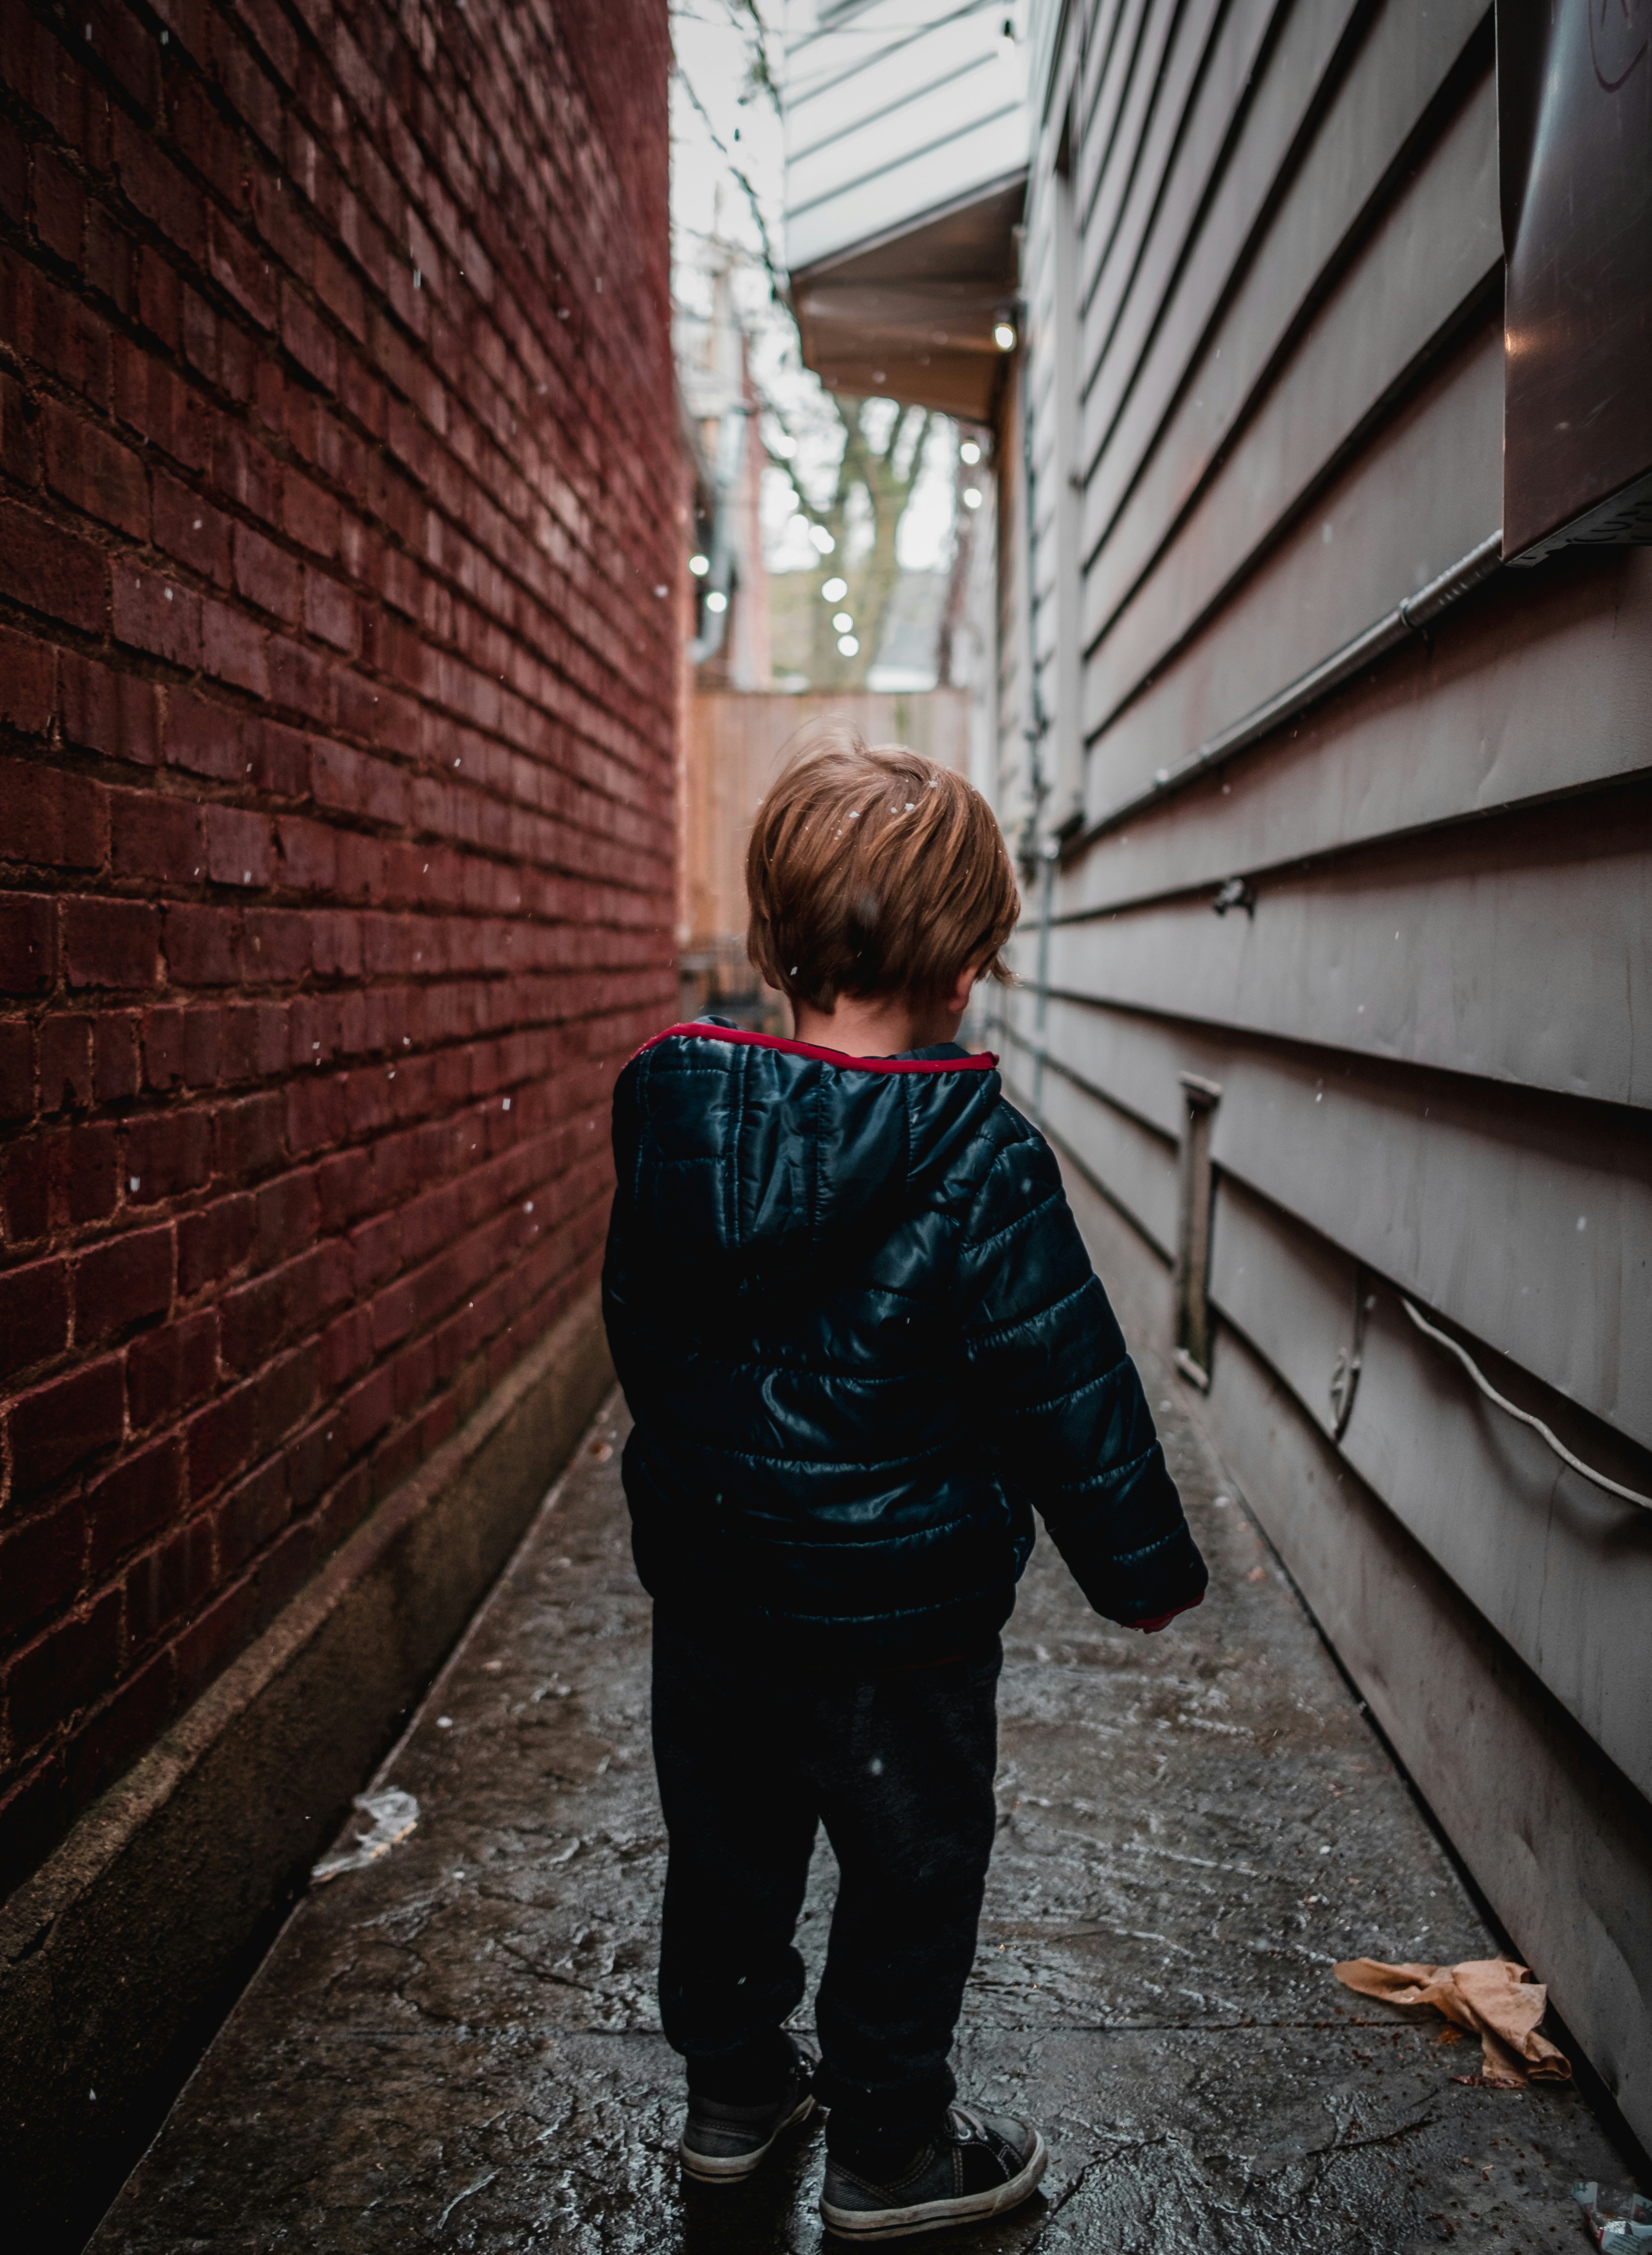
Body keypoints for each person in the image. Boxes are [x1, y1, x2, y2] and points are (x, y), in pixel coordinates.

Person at [603, 724, 1207, 2241]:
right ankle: (889, 2149)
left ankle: (734, 2097)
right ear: (961, 972)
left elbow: (645, 1333)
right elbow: (1067, 1383)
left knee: (727, 1854)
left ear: (775, 942)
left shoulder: (675, 1123)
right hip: (905, 1620)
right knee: (910, 1870)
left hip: (720, 1595)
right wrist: (1138, 1571)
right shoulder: (982, 1156)